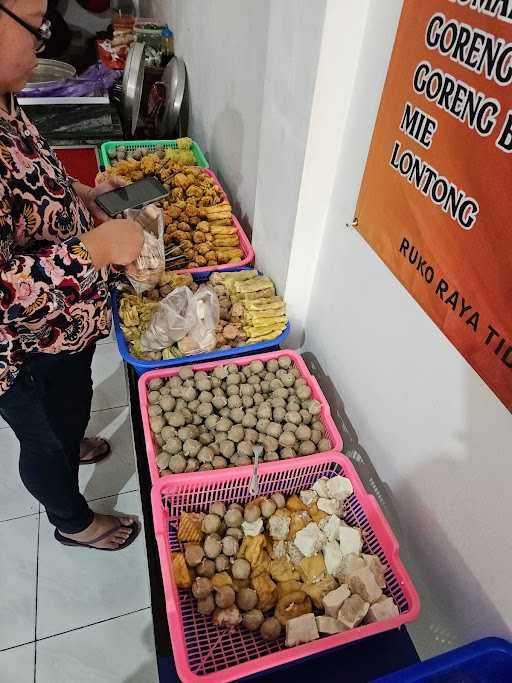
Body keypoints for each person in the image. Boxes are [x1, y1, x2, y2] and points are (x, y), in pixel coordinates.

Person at [0, 0, 144, 551]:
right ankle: (72, 519)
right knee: (42, 440)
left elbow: (38, 178)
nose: (45, 41)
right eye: (35, 28)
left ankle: (68, 432)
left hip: (64, 328)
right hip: (21, 351)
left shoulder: (6, 100)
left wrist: (85, 198)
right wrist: (93, 251)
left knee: (69, 399)